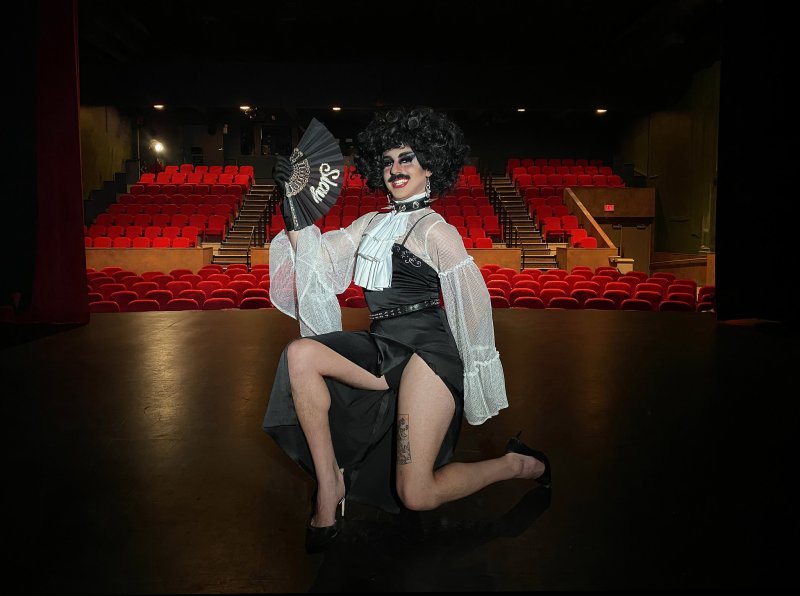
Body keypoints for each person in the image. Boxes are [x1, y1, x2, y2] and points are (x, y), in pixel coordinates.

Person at [263, 106, 550, 553]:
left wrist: (473, 375)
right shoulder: (372, 224)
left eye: (407, 158)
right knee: (301, 354)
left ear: (430, 165)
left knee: (417, 495)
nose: (395, 169)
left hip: (428, 353)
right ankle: (330, 485)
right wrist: (293, 208)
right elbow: (317, 260)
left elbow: (472, 302)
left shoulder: (436, 230)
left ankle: (515, 465)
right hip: (384, 343)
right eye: (388, 161)